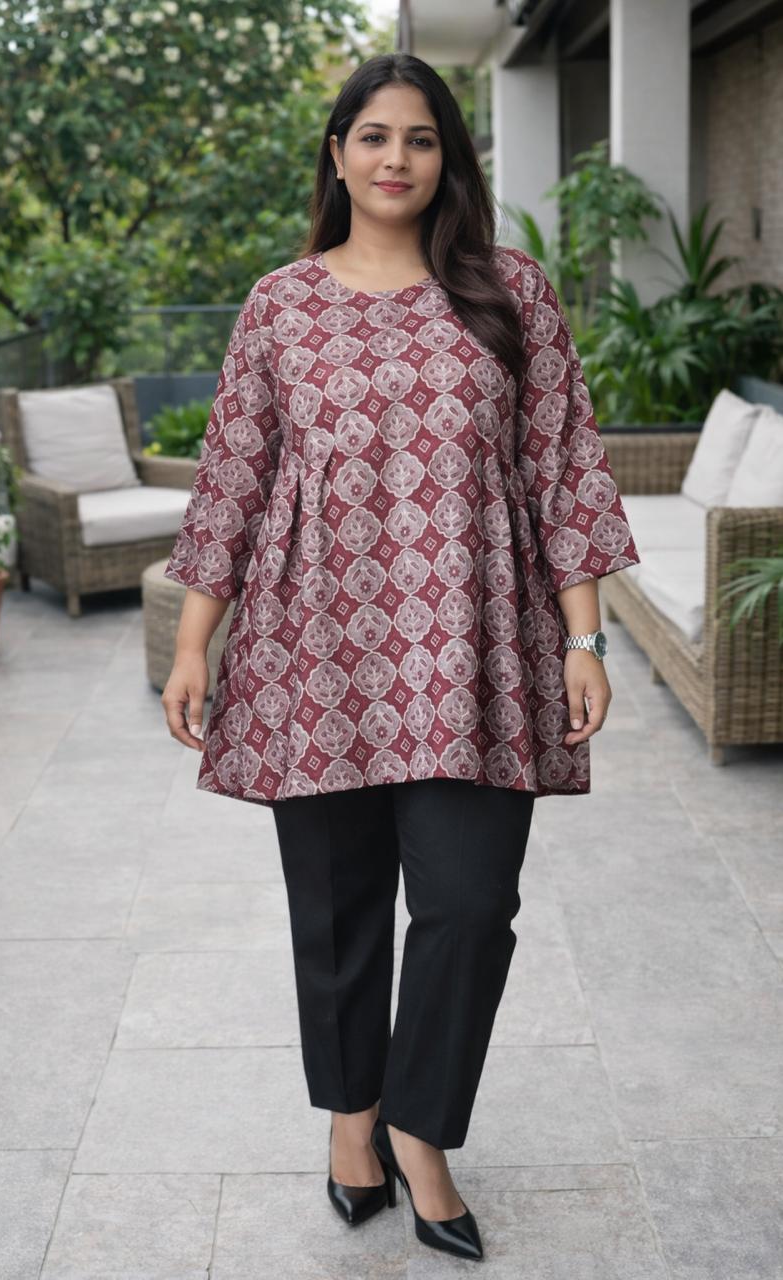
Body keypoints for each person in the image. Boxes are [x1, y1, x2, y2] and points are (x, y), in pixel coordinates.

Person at [161, 52, 641, 1264]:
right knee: (335, 910)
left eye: (419, 139)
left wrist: (585, 637)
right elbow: (233, 475)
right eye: (372, 136)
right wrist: (194, 642)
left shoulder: (508, 291)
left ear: (447, 160)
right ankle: (351, 1120)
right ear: (337, 155)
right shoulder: (279, 304)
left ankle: (421, 1127)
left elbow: (562, 467)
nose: (394, 158)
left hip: (475, 651)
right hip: (312, 649)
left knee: (471, 904)